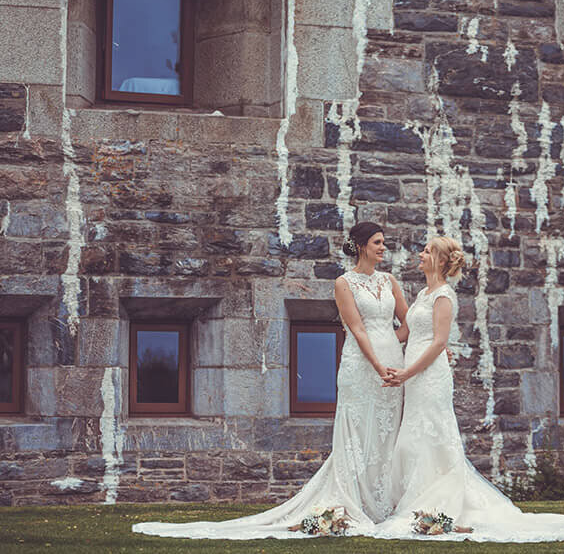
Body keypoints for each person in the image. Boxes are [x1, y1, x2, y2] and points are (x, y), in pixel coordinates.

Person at [133, 222, 412, 539]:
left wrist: (393, 347)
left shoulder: (390, 281)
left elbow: (408, 321)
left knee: (387, 429)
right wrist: (377, 363)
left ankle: (384, 502)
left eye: (383, 243)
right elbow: (358, 329)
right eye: (377, 242)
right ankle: (357, 502)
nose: (382, 248)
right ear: (361, 245)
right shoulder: (343, 283)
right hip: (362, 366)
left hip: (392, 366)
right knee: (358, 431)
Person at [374, 237, 564, 543]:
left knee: (432, 432)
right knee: (413, 436)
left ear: (440, 260)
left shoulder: (444, 296)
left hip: (429, 376)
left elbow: (438, 343)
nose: (420, 255)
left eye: (427, 251)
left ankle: (437, 504)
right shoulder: (423, 293)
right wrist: (372, 340)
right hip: (416, 376)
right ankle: (417, 499)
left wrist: (407, 372)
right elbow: (408, 332)